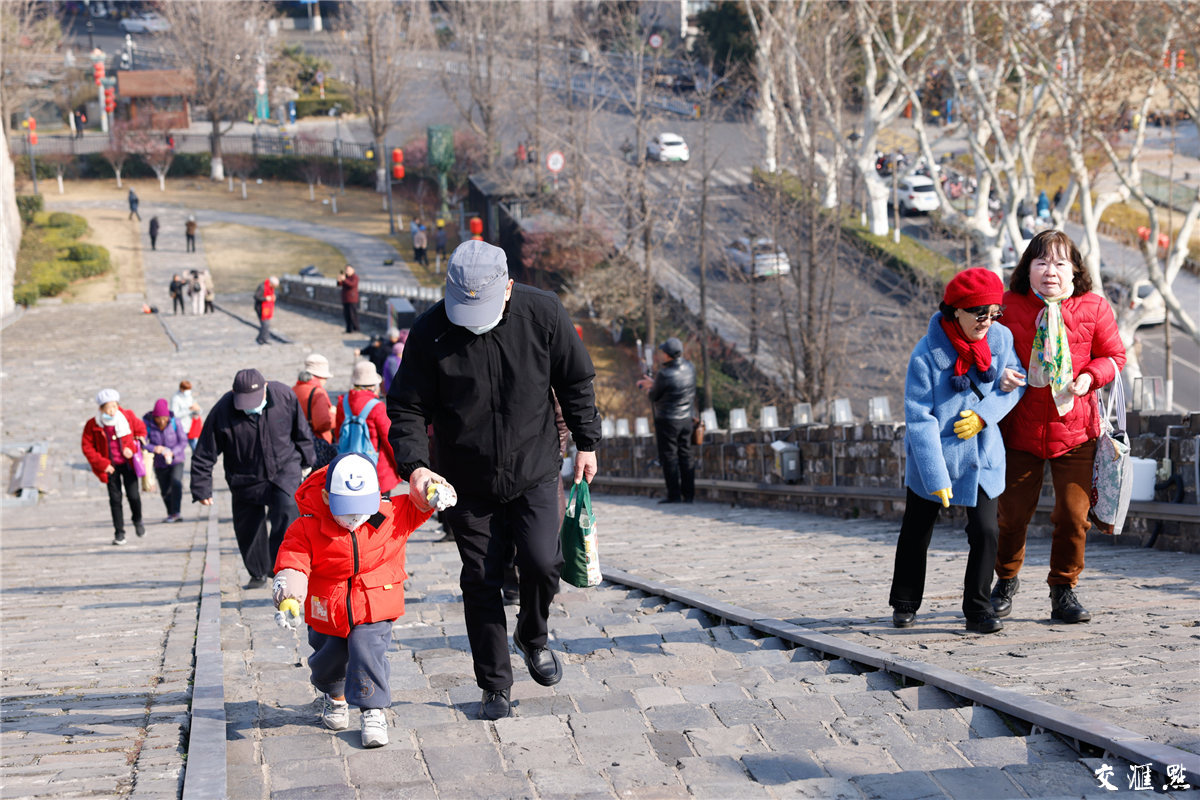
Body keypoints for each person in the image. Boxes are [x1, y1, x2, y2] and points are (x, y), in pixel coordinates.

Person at [388, 240, 601, 721]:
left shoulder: (543, 313)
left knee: (544, 562)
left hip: (536, 466)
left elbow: (576, 380)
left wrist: (587, 441)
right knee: (481, 580)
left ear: (508, 288)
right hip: (465, 478)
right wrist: (416, 465)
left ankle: (532, 634)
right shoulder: (430, 331)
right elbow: (406, 406)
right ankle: (494, 684)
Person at [991, 230, 1126, 624]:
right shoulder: (1007, 306)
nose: (1051, 270)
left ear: (1075, 270)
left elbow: (1114, 355)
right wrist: (1000, 376)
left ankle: (1063, 589)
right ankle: (1006, 580)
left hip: (1076, 430)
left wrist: (1090, 376)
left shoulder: (1094, 307)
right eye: (1042, 262)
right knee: (1012, 516)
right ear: (1027, 268)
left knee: (1072, 515)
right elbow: (984, 353)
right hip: (1019, 429)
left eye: (1060, 262)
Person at [888, 269, 1024, 634]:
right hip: (933, 456)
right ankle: (904, 601)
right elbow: (919, 418)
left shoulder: (1002, 338)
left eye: (994, 312)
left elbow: (1015, 381)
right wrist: (935, 475)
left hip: (982, 454)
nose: (987, 320)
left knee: (985, 531)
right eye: (979, 311)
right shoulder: (925, 355)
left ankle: (978, 609)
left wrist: (985, 414)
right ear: (955, 311)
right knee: (917, 530)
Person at [271, 453, 436, 748]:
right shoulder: (307, 527)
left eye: (361, 510)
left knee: (366, 649)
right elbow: (293, 559)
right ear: (325, 496)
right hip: (328, 607)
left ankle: (373, 710)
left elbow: (418, 505)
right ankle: (335, 696)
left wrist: (433, 492)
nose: (354, 519)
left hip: (374, 602)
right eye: (345, 511)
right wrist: (290, 595)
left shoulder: (389, 516)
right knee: (328, 658)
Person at [191, 368, 315, 587]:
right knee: (248, 526)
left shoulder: (284, 396)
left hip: (284, 470)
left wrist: (307, 463)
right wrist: (202, 487)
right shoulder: (223, 410)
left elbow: (301, 432)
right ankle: (258, 572)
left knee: (288, 514)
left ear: (266, 388)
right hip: (244, 477)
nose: (250, 406)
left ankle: (282, 567)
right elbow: (205, 451)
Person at [81, 389, 148, 545]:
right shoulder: (93, 424)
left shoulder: (127, 416)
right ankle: (119, 533)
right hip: (110, 467)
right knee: (115, 499)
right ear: (101, 409)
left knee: (133, 496)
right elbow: (87, 447)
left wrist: (132, 447)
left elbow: (141, 429)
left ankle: (138, 520)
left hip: (128, 463)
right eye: (108, 408)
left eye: (114, 406)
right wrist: (103, 464)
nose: (112, 411)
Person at [637, 337, 697, 504]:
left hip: (668, 421)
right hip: (686, 419)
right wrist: (655, 383)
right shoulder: (690, 368)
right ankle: (689, 494)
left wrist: (649, 387)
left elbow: (654, 396)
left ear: (668, 355)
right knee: (686, 455)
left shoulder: (664, 373)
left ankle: (674, 495)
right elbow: (676, 386)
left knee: (669, 456)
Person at [336, 362, 401, 496]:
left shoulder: (343, 402)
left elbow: (338, 433)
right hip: (376, 470)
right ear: (373, 385)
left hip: (349, 467)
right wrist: (399, 464)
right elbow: (389, 439)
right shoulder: (377, 407)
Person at [144, 398, 188, 523]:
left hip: (176, 459)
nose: (162, 421)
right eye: (159, 418)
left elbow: (183, 441)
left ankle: (176, 512)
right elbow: (143, 443)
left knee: (176, 483)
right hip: (159, 462)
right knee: (165, 489)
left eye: (164, 418)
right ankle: (170, 512)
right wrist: (154, 448)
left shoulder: (175, 422)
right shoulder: (148, 424)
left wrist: (173, 452)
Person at [293, 354, 336, 444]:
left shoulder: (294, 389)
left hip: (298, 440)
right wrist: (333, 414)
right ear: (321, 377)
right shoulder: (318, 393)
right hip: (317, 442)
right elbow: (322, 424)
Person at [171, 380, 203, 452]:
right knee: (180, 448)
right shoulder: (176, 399)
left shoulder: (189, 397)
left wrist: (197, 410)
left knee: (196, 448)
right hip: (181, 428)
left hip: (191, 427)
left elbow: (197, 409)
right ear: (181, 389)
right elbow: (175, 414)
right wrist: (189, 410)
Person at [254, 276, 279, 345]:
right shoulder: (262, 287)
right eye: (275, 285)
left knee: (266, 325)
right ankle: (261, 339)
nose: (275, 287)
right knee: (265, 324)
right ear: (272, 283)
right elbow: (256, 296)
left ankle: (263, 338)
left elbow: (270, 295)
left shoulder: (270, 287)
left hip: (267, 309)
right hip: (261, 308)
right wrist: (265, 298)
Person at [337, 265, 360, 333]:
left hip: (352, 299)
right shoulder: (346, 277)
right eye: (346, 270)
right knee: (346, 315)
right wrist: (339, 279)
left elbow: (352, 285)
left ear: (353, 270)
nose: (347, 271)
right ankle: (349, 329)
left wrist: (344, 280)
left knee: (352, 314)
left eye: (348, 270)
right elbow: (339, 284)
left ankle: (356, 328)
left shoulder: (355, 277)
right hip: (345, 298)